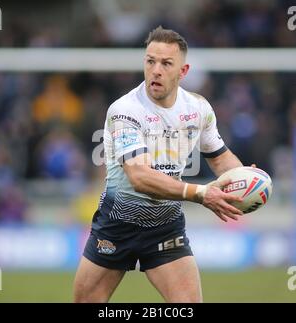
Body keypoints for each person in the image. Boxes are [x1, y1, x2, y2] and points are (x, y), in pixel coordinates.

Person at [74, 26, 245, 303]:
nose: (156, 70)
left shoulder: (198, 108)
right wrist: (202, 193)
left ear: (183, 71)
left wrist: (243, 179)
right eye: (150, 61)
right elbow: (141, 178)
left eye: (166, 63)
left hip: (166, 226)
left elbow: (221, 158)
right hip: (117, 224)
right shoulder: (125, 110)